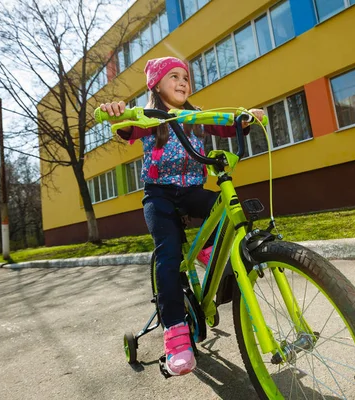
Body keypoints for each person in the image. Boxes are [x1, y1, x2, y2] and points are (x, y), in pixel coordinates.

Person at [99, 56, 264, 376]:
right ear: (156, 84)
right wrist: (117, 111)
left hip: (191, 191)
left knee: (226, 212)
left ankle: (214, 259)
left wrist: (245, 118)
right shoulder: (149, 116)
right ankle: (175, 334)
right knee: (169, 256)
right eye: (173, 76)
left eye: (185, 77)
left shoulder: (195, 115)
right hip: (159, 195)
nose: (182, 82)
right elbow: (127, 128)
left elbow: (226, 124)